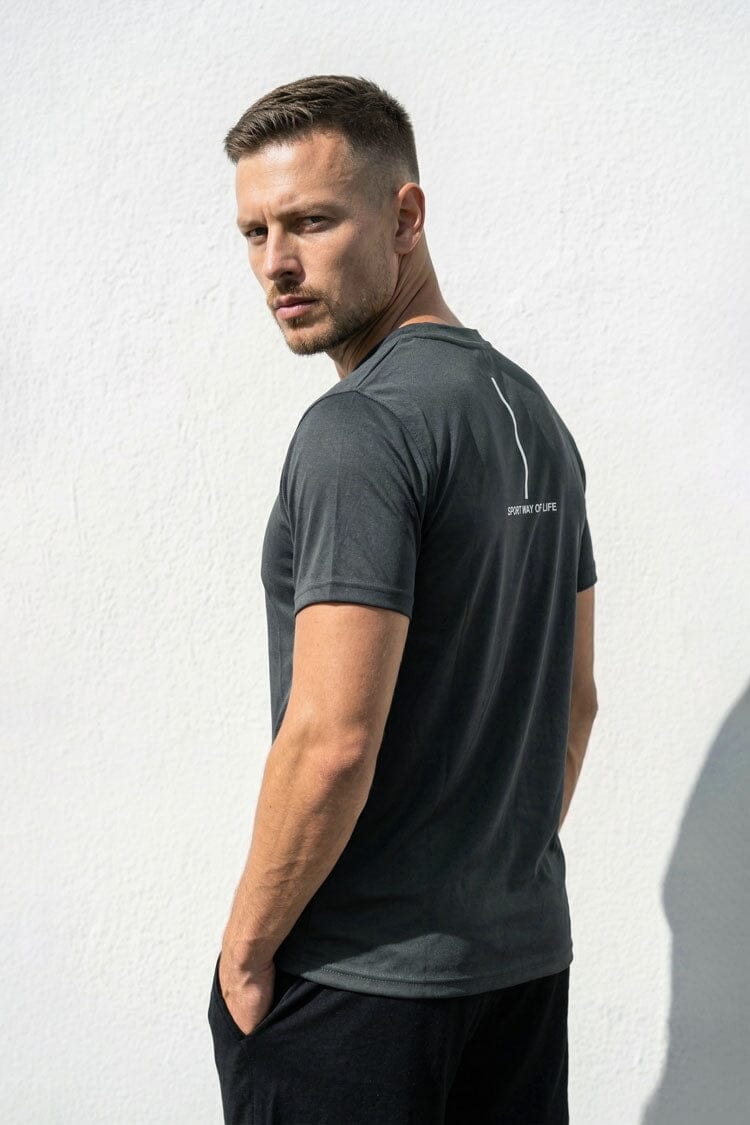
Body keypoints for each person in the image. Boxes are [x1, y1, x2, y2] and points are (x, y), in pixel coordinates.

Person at [207, 74, 598, 1124]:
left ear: (406, 216)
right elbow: (576, 704)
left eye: (311, 222)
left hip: (359, 991)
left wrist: (244, 948)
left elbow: (331, 739)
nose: (276, 264)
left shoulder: (360, 430)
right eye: (254, 232)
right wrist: (480, 880)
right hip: (519, 972)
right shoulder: (531, 414)